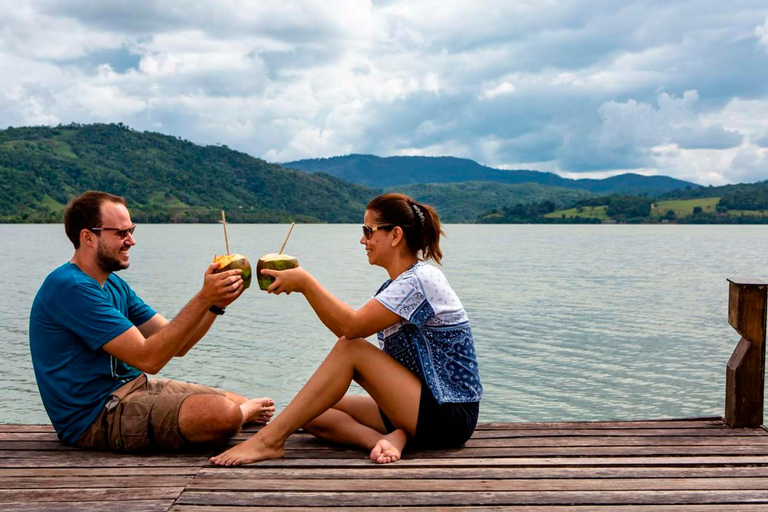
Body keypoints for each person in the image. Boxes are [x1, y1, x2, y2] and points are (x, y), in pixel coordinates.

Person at [210, 193, 482, 466]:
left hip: (449, 415)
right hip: (419, 407)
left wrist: (306, 283)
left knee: (350, 349)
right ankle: (384, 440)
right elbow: (347, 329)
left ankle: (268, 441)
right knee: (311, 411)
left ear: (395, 235)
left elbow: (350, 331)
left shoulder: (421, 280)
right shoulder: (398, 285)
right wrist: (305, 288)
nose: (363, 240)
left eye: (368, 231)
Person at [29, 191, 275, 452]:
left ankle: (240, 412)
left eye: (131, 230)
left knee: (238, 401)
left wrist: (215, 304)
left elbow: (178, 344)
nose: (131, 241)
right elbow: (150, 359)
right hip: (96, 417)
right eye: (121, 233)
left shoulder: (112, 283)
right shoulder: (71, 288)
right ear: (88, 237)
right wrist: (204, 297)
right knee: (224, 413)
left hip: (135, 388)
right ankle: (238, 414)